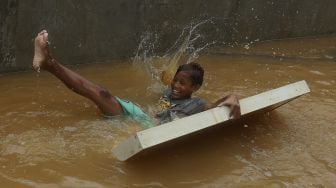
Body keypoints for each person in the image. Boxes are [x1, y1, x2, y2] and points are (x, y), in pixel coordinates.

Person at [33, 30, 240, 129]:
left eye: (182, 84)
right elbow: (161, 90)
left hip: (148, 126)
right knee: (101, 94)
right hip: (140, 118)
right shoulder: (168, 92)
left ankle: (50, 63)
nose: (176, 86)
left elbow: (214, 107)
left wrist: (231, 96)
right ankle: (50, 64)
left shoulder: (197, 102)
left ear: (195, 87)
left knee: (101, 95)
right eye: (175, 81)